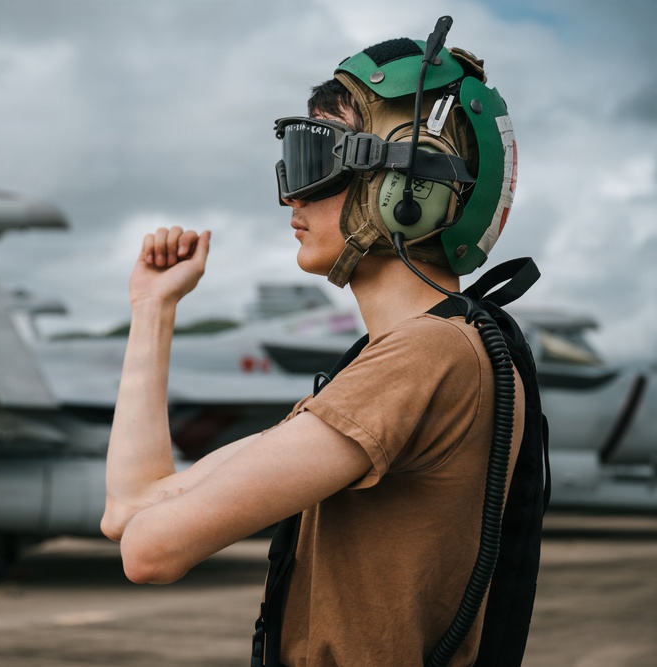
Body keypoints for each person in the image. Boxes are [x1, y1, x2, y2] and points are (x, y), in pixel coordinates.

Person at [102, 23, 535, 667]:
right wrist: (152, 310)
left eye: (317, 162)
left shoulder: (426, 357)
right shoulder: (402, 358)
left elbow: (150, 550)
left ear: (410, 184)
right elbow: (131, 508)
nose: (291, 197)